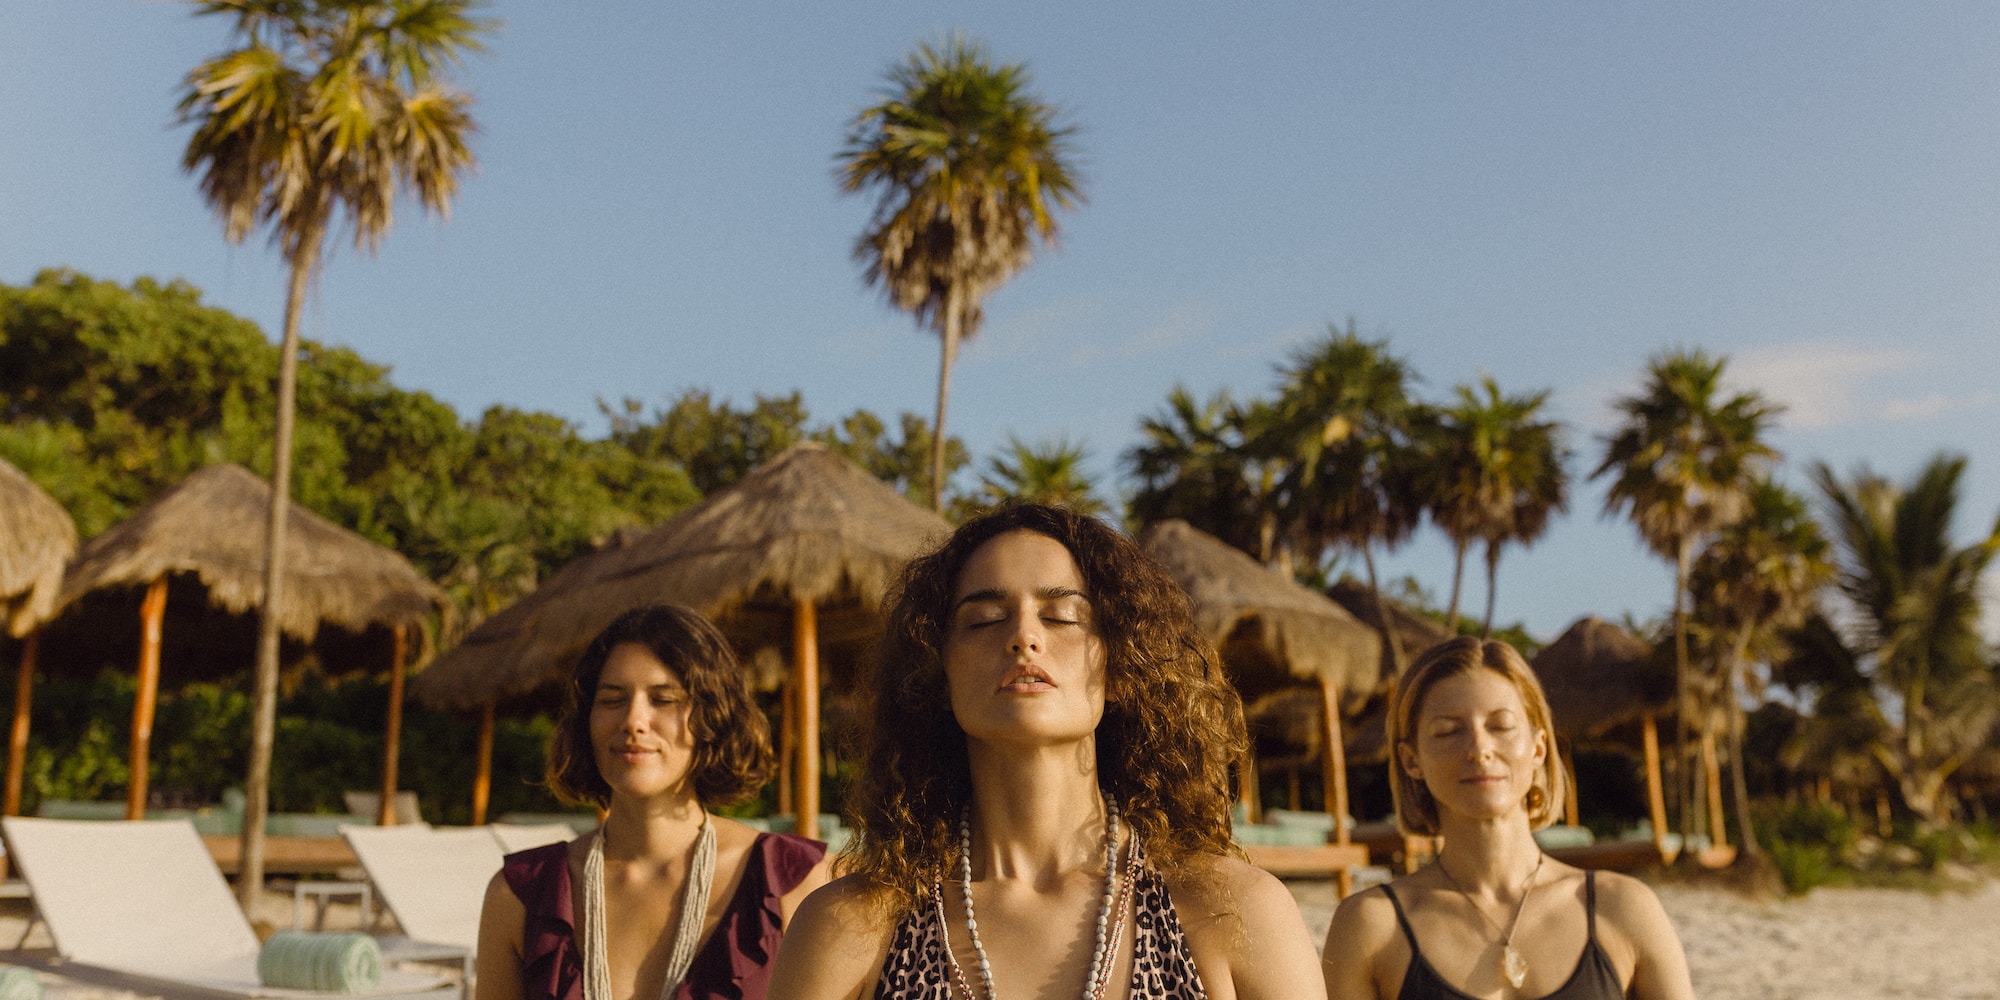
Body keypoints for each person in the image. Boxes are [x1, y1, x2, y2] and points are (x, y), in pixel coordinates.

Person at [769, 502, 1324, 1000]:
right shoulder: (853, 926)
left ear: (1119, 667)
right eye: (984, 619)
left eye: (1062, 616)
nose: (1024, 636)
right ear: (936, 675)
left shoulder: (1232, 911)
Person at [477, 604, 833, 1000]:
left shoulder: (796, 884)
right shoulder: (519, 896)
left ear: (712, 717)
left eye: (663, 699)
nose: (633, 720)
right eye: (612, 699)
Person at [1321, 637, 1695, 1000]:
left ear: (1537, 748)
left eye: (1500, 726)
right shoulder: (1371, 925)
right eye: (1448, 731)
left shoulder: (1623, 908)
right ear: (1411, 760)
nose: (1479, 749)